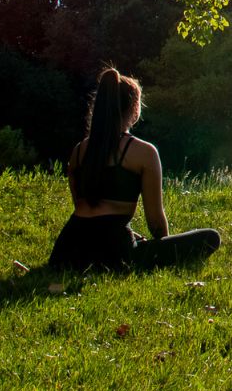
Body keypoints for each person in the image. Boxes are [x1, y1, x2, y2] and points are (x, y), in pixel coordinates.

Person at [49, 67, 221, 272]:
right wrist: (161, 246)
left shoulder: (79, 151)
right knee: (211, 237)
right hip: (113, 253)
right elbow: (155, 222)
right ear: (134, 108)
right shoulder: (143, 152)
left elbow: (82, 206)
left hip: (67, 250)